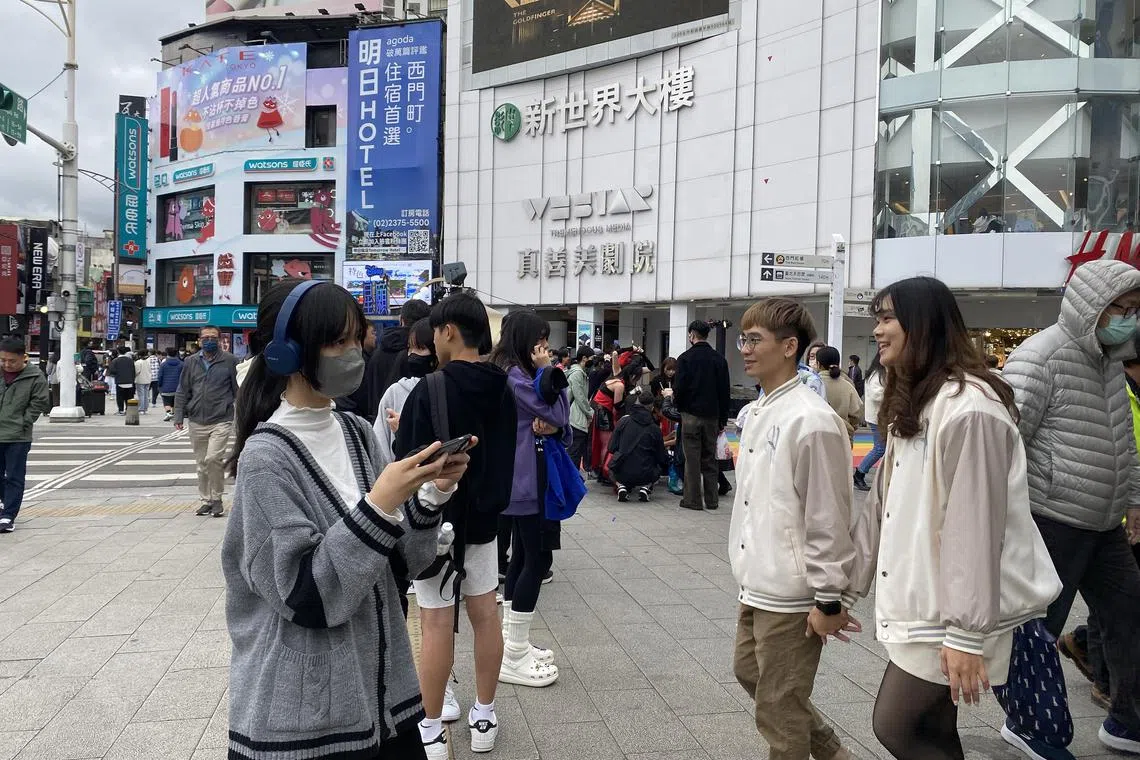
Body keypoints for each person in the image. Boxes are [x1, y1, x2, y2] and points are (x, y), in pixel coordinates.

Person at [222, 279, 469, 760]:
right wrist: (379, 504)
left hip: (386, 703)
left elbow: (402, 566)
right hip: (305, 721)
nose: (353, 353)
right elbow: (306, 595)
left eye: (357, 339)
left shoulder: (357, 433)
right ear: (287, 353)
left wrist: (433, 495)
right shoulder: (266, 458)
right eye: (338, 342)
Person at [865, 277, 1062, 760]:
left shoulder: (970, 408)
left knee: (895, 726)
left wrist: (965, 635)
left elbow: (975, 529)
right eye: (877, 318)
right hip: (929, 599)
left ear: (923, 325)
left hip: (951, 611)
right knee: (931, 728)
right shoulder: (923, 400)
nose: (877, 330)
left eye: (888, 317)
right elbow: (888, 505)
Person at [1002, 259, 1140, 756]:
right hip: (1053, 519)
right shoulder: (1040, 357)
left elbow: (1124, 440)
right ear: (1090, 306)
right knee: (1039, 630)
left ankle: (1128, 721)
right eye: (1118, 308)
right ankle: (1027, 722)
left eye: (1133, 309)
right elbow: (1004, 442)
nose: (1128, 318)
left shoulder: (1109, 362)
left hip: (1105, 525)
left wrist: (1134, 502)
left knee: (1130, 613)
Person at [729, 298, 864, 760]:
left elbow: (828, 517)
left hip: (792, 589)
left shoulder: (812, 419)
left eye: (754, 339)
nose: (744, 348)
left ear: (790, 346)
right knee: (750, 672)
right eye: (743, 338)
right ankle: (831, 751)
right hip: (758, 578)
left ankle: (818, 751)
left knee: (779, 709)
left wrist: (830, 598)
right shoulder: (763, 408)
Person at [393, 291, 517, 760]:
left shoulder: (431, 388)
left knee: (436, 622)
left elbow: (406, 460)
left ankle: (430, 729)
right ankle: (484, 713)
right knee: (487, 616)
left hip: (436, 523)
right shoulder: (503, 387)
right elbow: (508, 455)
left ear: (446, 332)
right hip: (485, 524)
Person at [1057, 336, 1140, 711]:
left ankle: (1085, 649)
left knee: (1123, 605)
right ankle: (1103, 681)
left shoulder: (1122, 391)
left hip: (1122, 511)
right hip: (1091, 518)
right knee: (1106, 605)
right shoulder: (1107, 386)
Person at [490, 311, 566, 689]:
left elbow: (559, 419)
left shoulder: (513, 372)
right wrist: (548, 369)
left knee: (523, 555)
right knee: (536, 558)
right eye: (539, 341)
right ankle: (514, 653)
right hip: (524, 481)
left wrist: (555, 417)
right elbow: (558, 411)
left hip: (523, 479)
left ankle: (511, 644)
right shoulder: (517, 376)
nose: (544, 348)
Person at [174, 325, 239, 518]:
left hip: (221, 419)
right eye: (205, 338)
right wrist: (178, 415)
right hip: (196, 420)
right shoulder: (191, 362)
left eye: (213, 337)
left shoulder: (230, 361)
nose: (209, 340)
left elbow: (238, 391)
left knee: (213, 459)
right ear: (199, 340)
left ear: (219, 340)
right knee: (202, 463)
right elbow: (182, 390)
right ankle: (206, 500)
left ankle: (217, 498)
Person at [673, 320, 730, 511]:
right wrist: (722, 418)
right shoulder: (719, 360)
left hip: (690, 416)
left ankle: (693, 500)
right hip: (712, 417)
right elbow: (725, 391)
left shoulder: (685, 359)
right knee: (710, 459)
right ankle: (712, 500)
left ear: (691, 335)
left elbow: (679, 389)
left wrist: (679, 407)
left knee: (692, 459)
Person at [0, 338, 51, 533]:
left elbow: (39, 403)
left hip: (18, 436)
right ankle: (6, 501)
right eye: (3, 360)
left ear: (23, 358)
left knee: (14, 476)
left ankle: (8, 515)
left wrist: (24, 420)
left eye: (11, 360)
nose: (6, 364)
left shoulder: (35, 377)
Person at [373, 317, 435, 469]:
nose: (412, 355)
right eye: (409, 348)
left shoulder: (444, 390)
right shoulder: (395, 391)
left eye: (420, 348)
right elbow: (379, 444)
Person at [364, 300, 431, 420]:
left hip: (379, 420)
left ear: (401, 320)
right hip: (416, 421)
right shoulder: (429, 355)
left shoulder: (377, 354)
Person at [608, 392, 669, 502]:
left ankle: (621, 486)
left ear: (636, 403)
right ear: (652, 408)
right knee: (659, 464)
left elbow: (611, 447)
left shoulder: (623, 421)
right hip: (647, 473)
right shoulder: (655, 428)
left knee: (611, 466)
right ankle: (645, 487)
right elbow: (661, 457)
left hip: (622, 473)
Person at [816, 346, 864, 441]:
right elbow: (857, 413)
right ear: (838, 363)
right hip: (843, 438)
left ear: (818, 364)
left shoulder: (812, 385)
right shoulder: (848, 385)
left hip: (817, 438)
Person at [853, 352, 885, 492]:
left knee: (883, 448)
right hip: (877, 418)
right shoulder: (876, 374)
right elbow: (877, 395)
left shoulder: (879, 373)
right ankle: (859, 473)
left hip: (881, 417)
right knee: (880, 449)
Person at [335, 321, 378, 421]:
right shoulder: (357, 361)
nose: (375, 337)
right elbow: (362, 394)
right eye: (372, 333)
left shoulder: (368, 358)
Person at [566, 346, 594, 475]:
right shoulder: (577, 374)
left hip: (574, 416)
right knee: (574, 453)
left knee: (574, 452)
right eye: (591, 359)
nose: (592, 362)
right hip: (575, 418)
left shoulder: (577, 372)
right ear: (584, 358)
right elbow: (580, 397)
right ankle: (571, 480)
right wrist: (590, 412)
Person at [157, 347, 184, 422]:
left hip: (166, 387)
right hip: (178, 387)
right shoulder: (181, 364)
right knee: (175, 402)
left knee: (167, 401)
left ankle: (168, 413)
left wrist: (159, 385)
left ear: (167, 354)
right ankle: (173, 413)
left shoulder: (163, 364)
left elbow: (160, 376)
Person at [107, 346, 136, 415]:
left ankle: (121, 410)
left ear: (118, 352)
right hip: (129, 382)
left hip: (120, 381)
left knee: (120, 397)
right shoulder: (130, 360)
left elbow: (112, 370)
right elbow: (133, 371)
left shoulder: (115, 360)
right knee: (129, 397)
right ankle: (128, 410)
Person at [133, 350, 152, 414]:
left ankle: (141, 409)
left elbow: (137, 371)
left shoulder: (138, 362)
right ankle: (145, 408)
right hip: (148, 379)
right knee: (146, 394)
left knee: (141, 395)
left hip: (140, 379)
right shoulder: (148, 361)